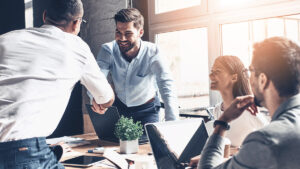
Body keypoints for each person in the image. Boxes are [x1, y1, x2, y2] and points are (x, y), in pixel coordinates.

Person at [0, 0, 114, 168]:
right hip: (24, 152)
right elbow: (107, 99)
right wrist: (100, 101)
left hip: (26, 150)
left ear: (45, 16)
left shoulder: (5, 40)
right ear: (76, 24)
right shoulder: (76, 46)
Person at [198, 37, 300, 169]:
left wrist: (223, 122)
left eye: (250, 71)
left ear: (263, 80)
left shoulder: (265, 140)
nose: (247, 77)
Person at [94, 8, 179, 129]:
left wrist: (173, 123)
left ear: (140, 32)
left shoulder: (153, 52)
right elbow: (97, 78)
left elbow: (166, 85)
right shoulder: (108, 50)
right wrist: (96, 98)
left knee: (150, 145)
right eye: (118, 32)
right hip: (119, 109)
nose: (122, 38)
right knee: (114, 146)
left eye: (128, 34)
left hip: (147, 111)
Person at [208, 55, 268, 147]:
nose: (212, 76)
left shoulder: (248, 108)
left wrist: (235, 151)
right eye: (212, 71)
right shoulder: (218, 109)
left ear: (234, 78)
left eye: (218, 71)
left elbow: (271, 139)